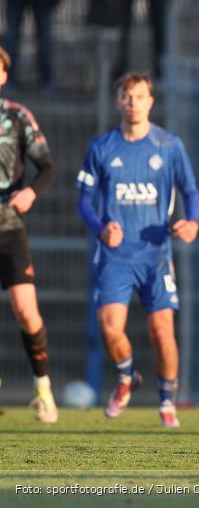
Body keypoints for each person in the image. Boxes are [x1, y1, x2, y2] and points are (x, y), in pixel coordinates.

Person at [76, 73, 199, 428]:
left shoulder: (168, 146)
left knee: (162, 330)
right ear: (118, 102)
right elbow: (83, 201)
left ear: (151, 101)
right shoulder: (101, 148)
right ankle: (127, 377)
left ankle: (166, 403)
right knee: (110, 327)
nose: (133, 103)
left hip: (155, 254)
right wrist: (101, 228)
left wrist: (191, 222)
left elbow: (190, 191)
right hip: (115, 254)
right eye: (127, 97)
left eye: (140, 96)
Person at [0, 45, 57, 422]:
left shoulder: (18, 118)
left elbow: (47, 167)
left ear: (3, 75)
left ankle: (43, 391)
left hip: (8, 227)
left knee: (26, 310)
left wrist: (31, 192)